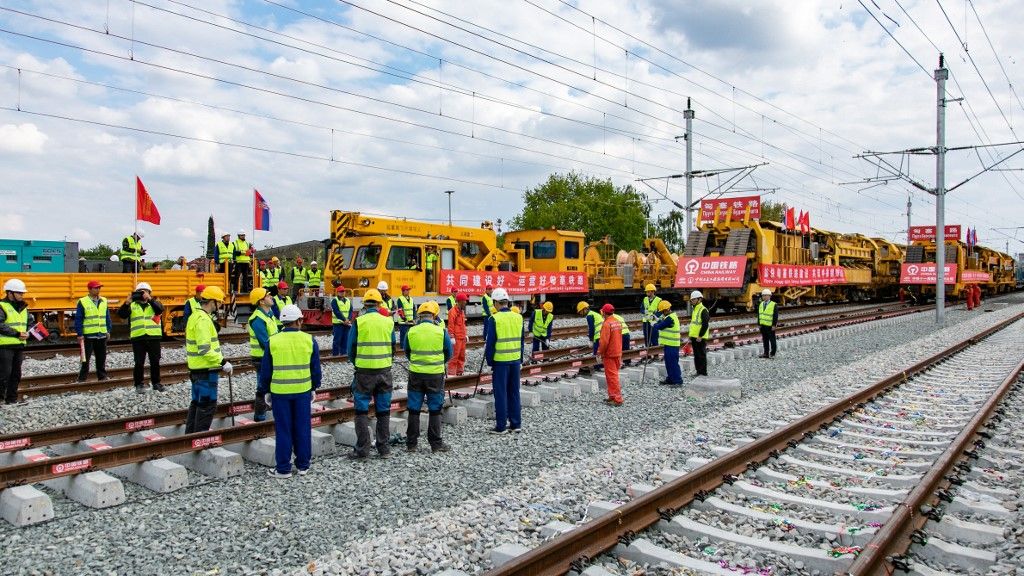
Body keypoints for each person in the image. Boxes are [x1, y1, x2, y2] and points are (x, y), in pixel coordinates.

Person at [258, 304, 321, 478]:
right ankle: (303, 466)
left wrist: (265, 391)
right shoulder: (309, 340)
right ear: (299, 320)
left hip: (280, 392)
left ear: (283, 322)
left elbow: (266, 371)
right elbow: (315, 369)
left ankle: (283, 468)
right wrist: (314, 387)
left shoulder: (273, 341)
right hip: (302, 391)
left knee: (283, 429)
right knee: (302, 428)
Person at [347, 289, 395, 459]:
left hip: (364, 373)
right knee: (383, 410)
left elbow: (350, 348)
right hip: (384, 371)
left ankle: (362, 449)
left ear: (364, 305)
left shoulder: (359, 322)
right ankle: (384, 449)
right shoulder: (388, 322)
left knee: (361, 410)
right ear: (379, 304)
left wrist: (358, 362)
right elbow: (393, 346)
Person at [402, 301, 453, 453]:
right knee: (435, 408)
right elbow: (448, 353)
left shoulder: (411, 331)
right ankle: (436, 444)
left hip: (416, 374)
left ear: (419, 316)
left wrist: (418, 362)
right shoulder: (441, 331)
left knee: (414, 408)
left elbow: (407, 352)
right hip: (435, 375)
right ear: (434, 316)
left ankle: (411, 444)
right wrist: (437, 363)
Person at [185, 286, 231, 433]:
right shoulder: (203, 320)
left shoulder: (195, 316)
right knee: (207, 404)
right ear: (212, 302)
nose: (220, 306)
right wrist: (223, 362)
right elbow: (205, 349)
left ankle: (190, 437)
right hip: (206, 370)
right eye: (219, 303)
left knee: (197, 403)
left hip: (197, 369)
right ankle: (199, 438)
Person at [483, 288, 524, 434]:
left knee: (501, 394)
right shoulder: (518, 317)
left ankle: (501, 426)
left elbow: (491, 344)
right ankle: (516, 424)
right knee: (514, 392)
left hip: (500, 362)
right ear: (506, 302)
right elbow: (522, 341)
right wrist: (521, 360)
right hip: (515, 361)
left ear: (495, 302)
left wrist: (489, 363)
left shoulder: (494, 319)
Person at [117, 282, 164, 393]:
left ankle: (156, 383)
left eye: (145, 292)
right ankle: (139, 384)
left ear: (149, 293)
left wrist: (150, 299)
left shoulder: (154, 304)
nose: (142, 294)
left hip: (153, 337)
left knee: (155, 361)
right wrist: (126, 303)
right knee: (139, 362)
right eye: (140, 292)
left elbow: (160, 310)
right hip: (138, 337)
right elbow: (122, 314)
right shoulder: (132, 305)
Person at [248, 288, 278, 422]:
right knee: (263, 388)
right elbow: (265, 342)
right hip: (262, 358)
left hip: (270, 356)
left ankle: (267, 414)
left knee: (271, 387)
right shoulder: (257, 319)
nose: (271, 297)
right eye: (268, 296)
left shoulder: (269, 314)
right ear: (261, 301)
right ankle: (260, 418)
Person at [75, 280, 111, 382]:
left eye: (99, 287)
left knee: (101, 358)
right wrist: (80, 334)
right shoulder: (83, 301)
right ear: (90, 289)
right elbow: (79, 318)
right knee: (85, 359)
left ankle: (102, 376)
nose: (98, 289)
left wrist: (108, 330)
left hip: (101, 334)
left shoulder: (104, 300)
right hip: (88, 335)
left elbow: (106, 317)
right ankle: (82, 378)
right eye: (96, 288)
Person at [0, 279, 29, 404]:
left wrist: (30, 333)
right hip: (4, 346)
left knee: (16, 374)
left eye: (22, 293)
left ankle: (11, 399)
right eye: (20, 293)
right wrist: (17, 333)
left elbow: (27, 324)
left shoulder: (23, 308)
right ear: (10, 293)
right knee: (4, 375)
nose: (22, 295)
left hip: (19, 345)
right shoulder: (2, 306)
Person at [597, 304, 623, 405]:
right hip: (617, 352)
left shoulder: (607, 324)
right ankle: (612, 396)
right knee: (613, 375)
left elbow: (604, 342)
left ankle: (617, 399)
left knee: (612, 377)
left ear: (604, 312)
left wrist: (600, 352)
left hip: (609, 354)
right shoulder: (617, 322)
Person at [652, 300, 682, 386]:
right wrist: (656, 319)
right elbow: (662, 321)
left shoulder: (670, 318)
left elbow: (660, 326)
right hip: (669, 344)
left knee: (673, 363)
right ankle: (670, 379)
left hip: (672, 345)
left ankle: (677, 381)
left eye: (663, 311)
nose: (662, 313)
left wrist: (653, 323)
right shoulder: (669, 316)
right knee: (668, 362)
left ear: (667, 309)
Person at [688, 290, 709, 377]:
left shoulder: (703, 310)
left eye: (693, 299)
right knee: (696, 355)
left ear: (699, 299)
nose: (692, 301)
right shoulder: (695, 309)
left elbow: (705, 324)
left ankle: (703, 373)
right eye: (691, 300)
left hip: (700, 337)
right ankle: (698, 371)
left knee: (701, 355)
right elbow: (694, 324)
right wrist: (691, 336)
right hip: (694, 336)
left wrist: (700, 335)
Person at [447, 292, 468, 376]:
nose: (466, 302)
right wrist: (451, 336)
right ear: (460, 301)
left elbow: (463, 324)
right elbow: (450, 325)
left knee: (461, 357)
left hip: (461, 338)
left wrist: (465, 335)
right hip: (456, 338)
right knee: (454, 357)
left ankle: (460, 372)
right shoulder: (452, 312)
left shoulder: (461, 312)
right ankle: (451, 374)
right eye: (464, 301)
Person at [330, 282, 353, 356]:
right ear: (337, 292)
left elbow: (350, 310)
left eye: (343, 291)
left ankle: (344, 353)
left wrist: (348, 319)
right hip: (338, 323)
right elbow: (337, 311)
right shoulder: (334, 300)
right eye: (341, 291)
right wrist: (344, 320)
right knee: (337, 339)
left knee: (345, 339)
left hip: (346, 323)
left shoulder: (348, 300)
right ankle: (335, 354)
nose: (342, 293)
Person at [757, 289, 778, 359]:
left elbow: (775, 316)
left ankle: (772, 353)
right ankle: (766, 353)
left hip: (770, 326)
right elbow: (759, 314)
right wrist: (759, 324)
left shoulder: (774, 304)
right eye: (763, 295)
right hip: (763, 325)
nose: (764, 297)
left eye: (766, 295)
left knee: (772, 340)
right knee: (765, 340)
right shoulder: (761, 304)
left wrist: (774, 325)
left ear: (769, 296)